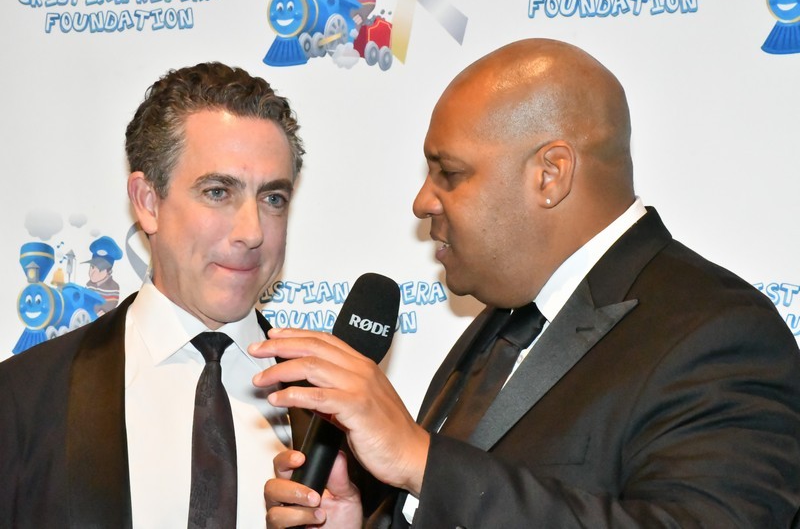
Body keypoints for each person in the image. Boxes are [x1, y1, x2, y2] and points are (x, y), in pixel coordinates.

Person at [254, 38, 800, 527]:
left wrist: (421, 461)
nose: (422, 201)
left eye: (450, 173)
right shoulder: (508, 322)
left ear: (550, 174)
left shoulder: (721, 335)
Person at [0, 62, 308, 527]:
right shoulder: (22, 399)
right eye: (218, 192)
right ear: (147, 202)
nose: (252, 232)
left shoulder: (333, 408)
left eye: (273, 199)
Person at [84, 235, 123, 315]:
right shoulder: (89, 285)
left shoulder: (113, 287)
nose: (93, 273)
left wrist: (103, 311)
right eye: (92, 267)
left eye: (100, 269)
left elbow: (111, 304)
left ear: (109, 271)